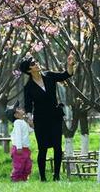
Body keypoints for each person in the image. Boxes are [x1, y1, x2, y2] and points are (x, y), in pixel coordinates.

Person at [19, 53, 75, 181]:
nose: (36, 63)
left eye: (36, 61)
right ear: (29, 70)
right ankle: (43, 178)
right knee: (42, 148)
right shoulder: (28, 87)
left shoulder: (49, 75)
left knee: (57, 147)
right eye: (33, 63)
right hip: (40, 119)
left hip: (55, 116)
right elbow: (28, 106)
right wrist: (29, 118)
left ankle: (56, 176)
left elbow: (65, 75)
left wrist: (70, 65)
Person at [5, 101, 34, 182]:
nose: (21, 109)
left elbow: (30, 130)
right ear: (16, 115)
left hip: (25, 149)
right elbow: (18, 136)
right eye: (18, 109)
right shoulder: (17, 123)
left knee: (28, 165)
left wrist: (31, 124)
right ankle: (15, 179)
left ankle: (24, 179)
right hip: (19, 149)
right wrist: (19, 147)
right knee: (19, 166)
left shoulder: (22, 122)